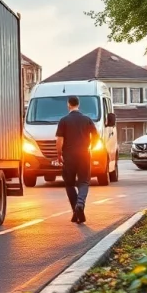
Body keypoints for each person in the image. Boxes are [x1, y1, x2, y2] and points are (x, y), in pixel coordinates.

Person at [55, 96, 97, 224]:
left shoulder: (63, 120)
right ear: (79, 104)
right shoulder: (87, 120)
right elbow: (96, 137)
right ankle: (80, 205)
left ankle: (75, 210)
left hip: (69, 156)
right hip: (84, 154)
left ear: (68, 105)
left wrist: (59, 154)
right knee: (84, 182)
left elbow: (59, 140)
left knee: (69, 184)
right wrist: (90, 148)